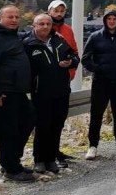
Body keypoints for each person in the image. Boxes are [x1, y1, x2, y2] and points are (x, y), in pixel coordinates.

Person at [0, 5, 36, 182]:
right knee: (8, 131)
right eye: (10, 17)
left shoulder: (13, 37)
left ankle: (13, 162)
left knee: (29, 120)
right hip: (3, 93)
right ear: (0, 18)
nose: (14, 20)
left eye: (17, 17)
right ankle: (10, 168)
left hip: (17, 92)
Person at [24, 13, 78, 174]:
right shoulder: (28, 44)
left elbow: (74, 56)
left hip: (62, 91)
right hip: (41, 93)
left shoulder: (59, 40)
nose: (46, 27)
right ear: (34, 26)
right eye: (41, 24)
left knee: (57, 125)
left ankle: (52, 158)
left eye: (48, 24)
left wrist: (71, 62)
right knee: (42, 126)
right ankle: (39, 159)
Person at [82, 8, 116, 160]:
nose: (112, 21)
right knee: (96, 115)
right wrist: (98, 69)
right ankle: (92, 147)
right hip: (100, 83)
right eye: (109, 19)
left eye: (115, 19)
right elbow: (85, 59)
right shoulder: (95, 37)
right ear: (105, 21)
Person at [47, 0, 79, 165]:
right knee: (47, 120)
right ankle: (46, 155)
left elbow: (74, 52)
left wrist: (71, 71)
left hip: (63, 81)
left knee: (60, 118)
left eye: (62, 11)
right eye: (56, 11)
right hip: (45, 84)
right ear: (49, 12)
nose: (59, 14)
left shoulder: (67, 29)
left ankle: (56, 151)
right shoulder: (44, 26)